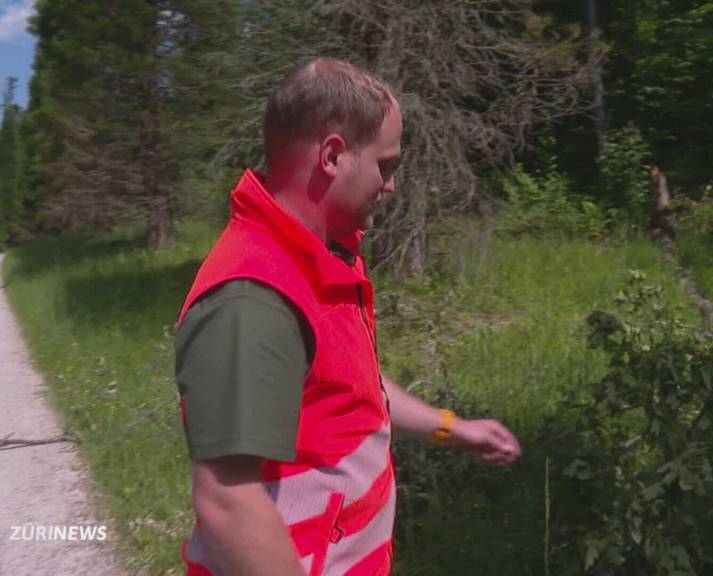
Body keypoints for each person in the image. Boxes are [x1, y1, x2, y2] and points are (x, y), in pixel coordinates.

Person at [174, 57, 521, 576]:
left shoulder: (321, 260)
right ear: (333, 155)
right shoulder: (253, 297)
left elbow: (352, 390)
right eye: (386, 165)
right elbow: (228, 504)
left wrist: (453, 429)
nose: (390, 186)